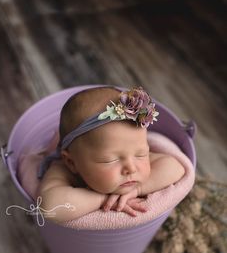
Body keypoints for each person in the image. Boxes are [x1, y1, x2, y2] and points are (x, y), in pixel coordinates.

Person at [37, 86, 185, 224]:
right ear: (71, 162)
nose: (131, 168)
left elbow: (176, 168)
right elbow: (49, 207)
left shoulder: (129, 149)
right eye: (110, 160)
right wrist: (103, 199)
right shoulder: (62, 170)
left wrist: (138, 189)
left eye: (141, 155)